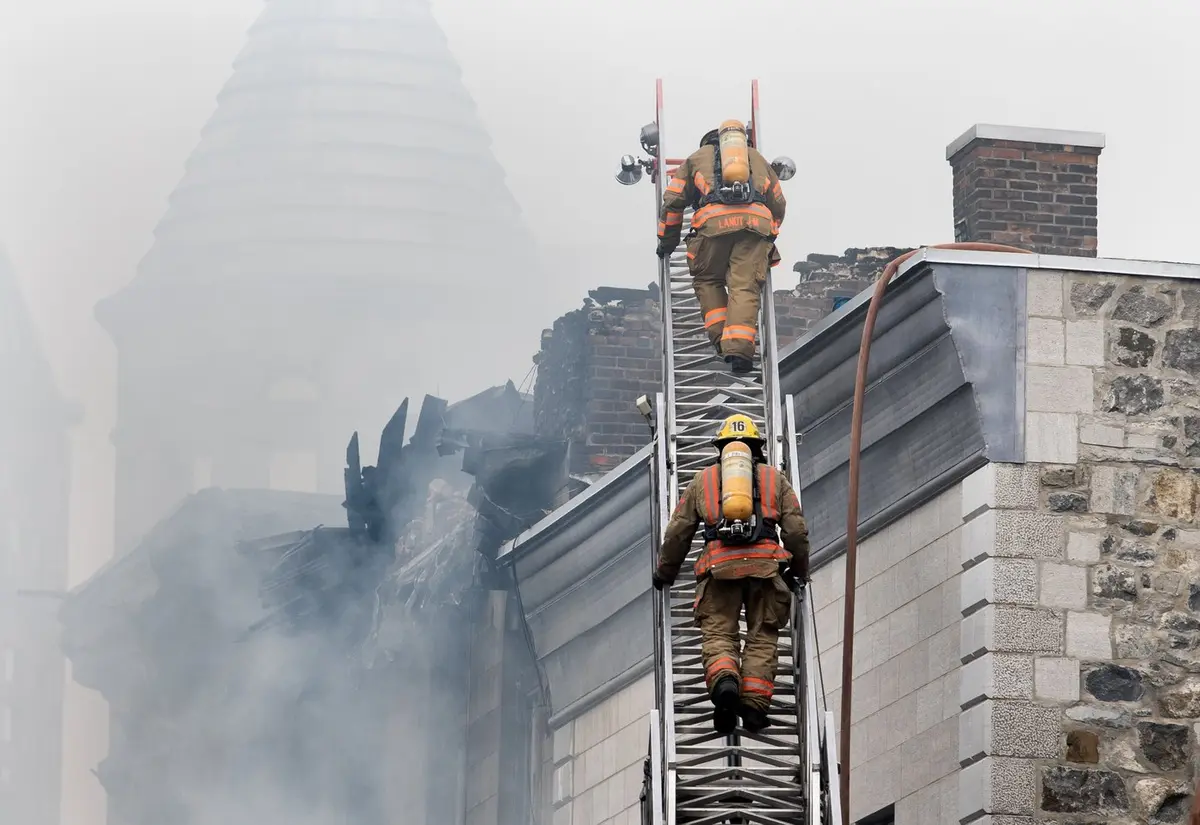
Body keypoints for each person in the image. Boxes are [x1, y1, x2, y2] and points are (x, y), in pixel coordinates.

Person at [652, 414, 810, 734]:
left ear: (720, 449)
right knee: (762, 636)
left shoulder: (703, 480)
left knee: (720, 635)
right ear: (757, 449)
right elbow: (796, 531)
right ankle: (753, 704)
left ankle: (726, 683)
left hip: (719, 569)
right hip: (766, 569)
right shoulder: (774, 479)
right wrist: (799, 570)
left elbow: (678, 532)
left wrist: (665, 572)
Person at [655, 125, 787, 375]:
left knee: (707, 280)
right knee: (744, 286)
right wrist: (770, 236)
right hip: (754, 227)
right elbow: (778, 203)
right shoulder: (757, 159)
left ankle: (720, 341)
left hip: (712, 226)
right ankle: (738, 349)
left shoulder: (695, 158)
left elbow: (672, 203)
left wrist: (667, 243)